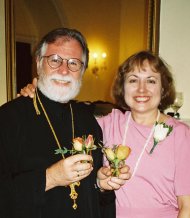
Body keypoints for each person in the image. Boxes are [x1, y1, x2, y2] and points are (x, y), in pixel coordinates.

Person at [21, 50, 190, 218]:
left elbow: (189, 207)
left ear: (163, 88)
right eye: (133, 80)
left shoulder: (181, 135)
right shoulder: (107, 124)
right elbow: (63, 121)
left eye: (151, 80)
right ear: (122, 88)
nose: (141, 89)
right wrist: (39, 95)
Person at [0, 28, 130, 218]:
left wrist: (101, 185)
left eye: (73, 63)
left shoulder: (88, 120)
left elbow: (95, 199)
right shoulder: (8, 118)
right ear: (38, 64)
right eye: (54, 60)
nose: (64, 70)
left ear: (83, 70)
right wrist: (50, 178)